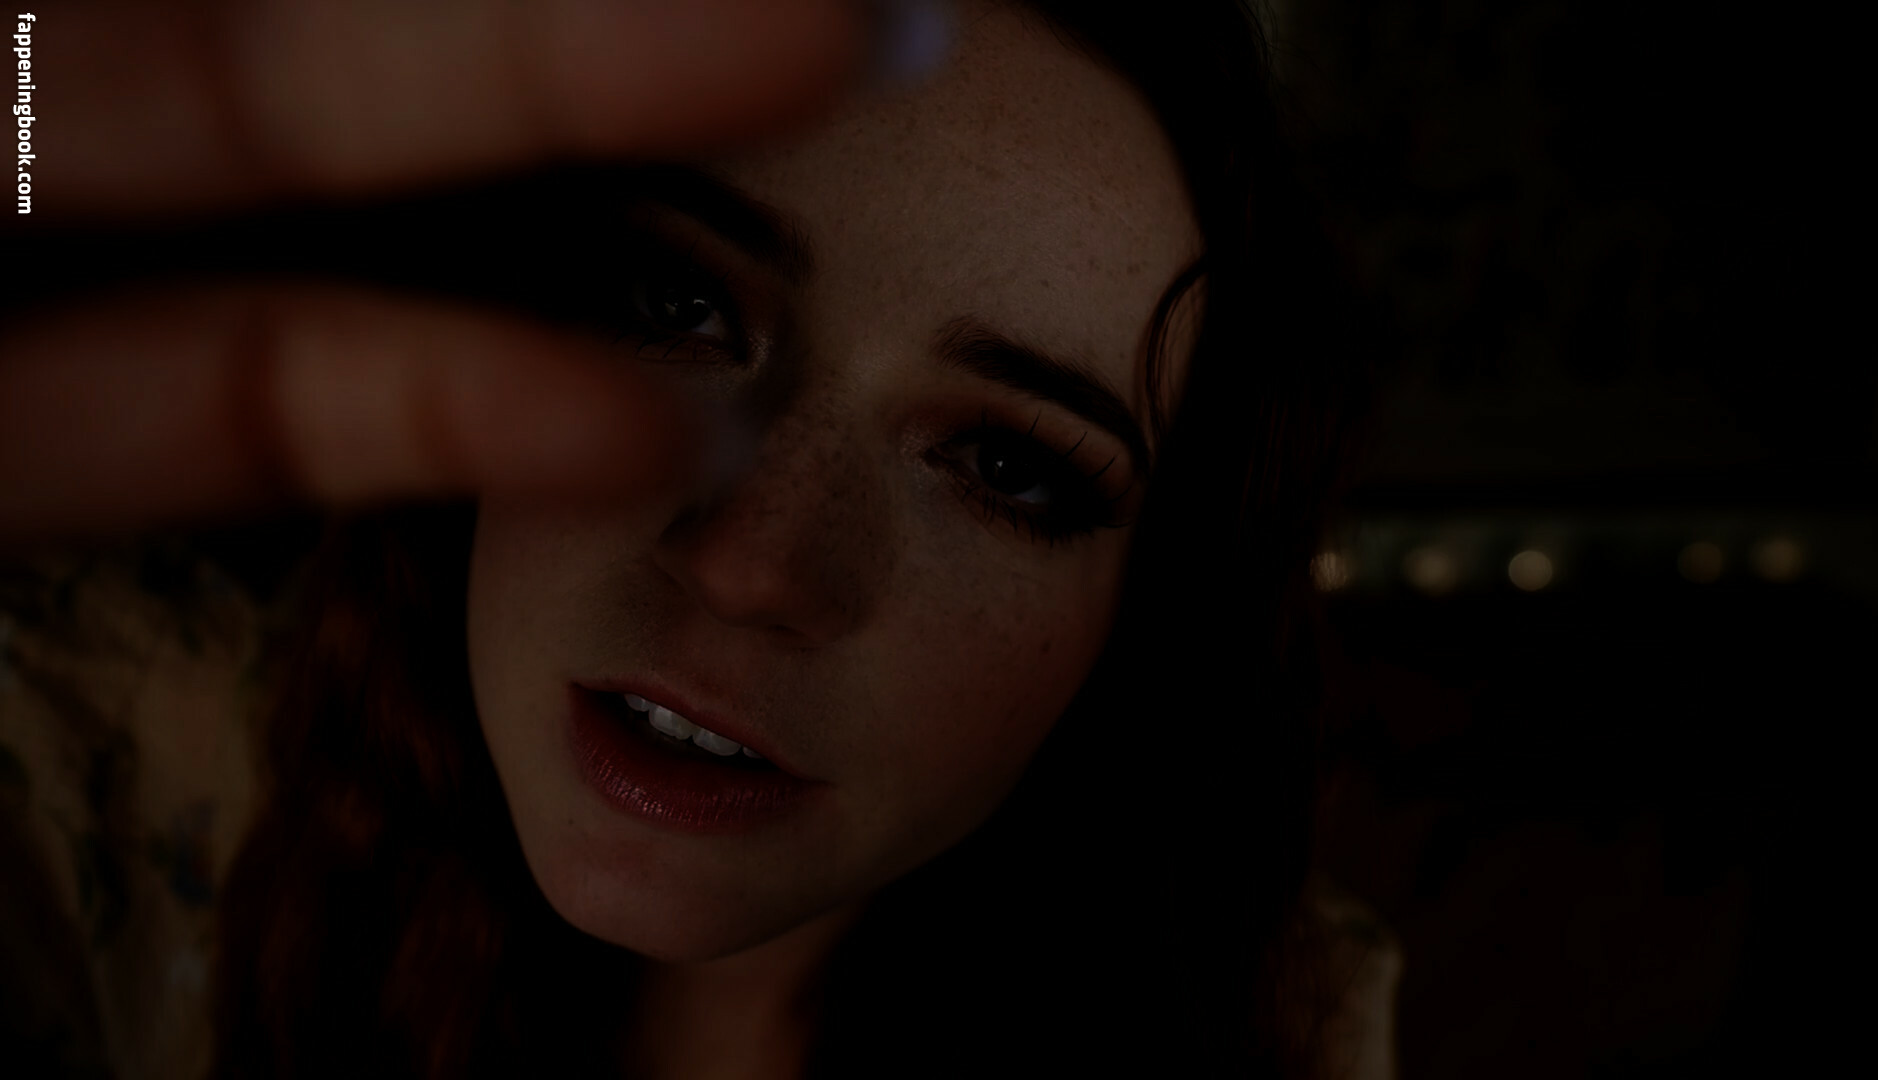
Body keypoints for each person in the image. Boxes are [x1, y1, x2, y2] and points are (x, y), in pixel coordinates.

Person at [2, 1, 1381, 1077]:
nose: (754, 565)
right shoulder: (96, 763)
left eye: (1008, 468)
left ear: (1147, 615)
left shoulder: (1281, 1023)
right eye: (672, 305)